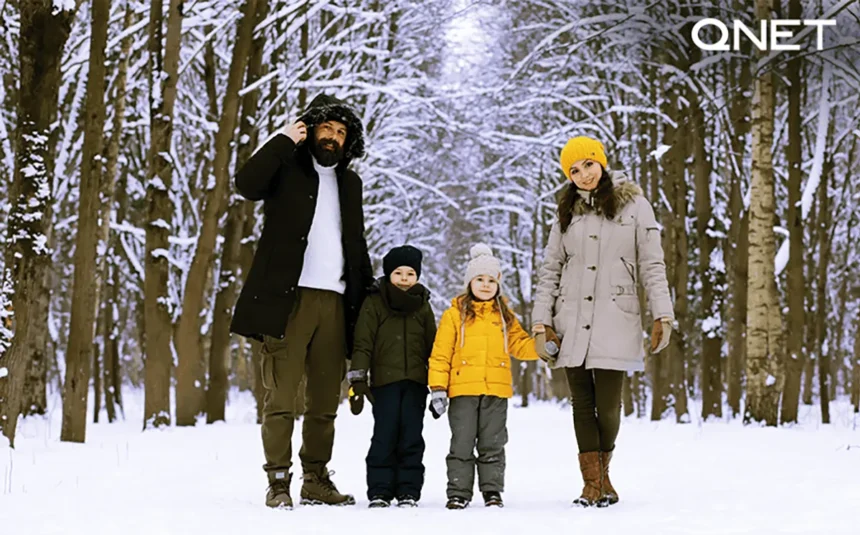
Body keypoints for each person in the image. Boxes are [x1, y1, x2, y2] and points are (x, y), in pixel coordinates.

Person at [229, 93, 373, 509]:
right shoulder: (286, 168)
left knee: (325, 401)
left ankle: (315, 479)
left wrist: (366, 299)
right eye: (326, 128)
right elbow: (246, 184)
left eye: (341, 132)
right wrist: (282, 140)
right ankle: (278, 482)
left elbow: (356, 244)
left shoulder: (350, 184)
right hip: (287, 301)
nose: (332, 137)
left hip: (336, 302)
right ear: (310, 130)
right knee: (281, 397)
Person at [532, 136, 674, 507]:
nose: (583, 175)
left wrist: (663, 313)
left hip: (616, 316)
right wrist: (541, 322)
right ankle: (593, 485)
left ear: (602, 162)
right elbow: (550, 269)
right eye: (574, 170)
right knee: (582, 404)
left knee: (609, 407)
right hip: (570, 318)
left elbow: (652, 264)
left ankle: (602, 477)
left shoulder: (635, 205)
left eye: (588, 165)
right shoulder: (566, 212)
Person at [427, 243, 540, 510]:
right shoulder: (454, 315)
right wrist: (438, 388)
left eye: (491, 280)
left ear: (498, 284)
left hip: (496, 391)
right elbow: (440, 354)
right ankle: (458, 492)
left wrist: (543, 347)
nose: (486, 285)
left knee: (493, 443)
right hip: (462, 391)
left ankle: (492, 491)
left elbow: (520, 345)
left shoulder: (505, 317)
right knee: (462, 443)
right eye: (480, 279)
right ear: (470, 282)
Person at [347, 245, 437, 508]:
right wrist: (358, 380)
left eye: (410, 274)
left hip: (416, 383)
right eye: (398, 273)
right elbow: (363, 343)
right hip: (384, 384)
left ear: (417, 276)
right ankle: (380, 489)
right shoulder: (375, 302)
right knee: (384, 436)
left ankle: (408, 490)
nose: (404, 279)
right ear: (388, 274)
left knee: (412, 437)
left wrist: (439, 384)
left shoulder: (422, 304)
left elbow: (434, 347)